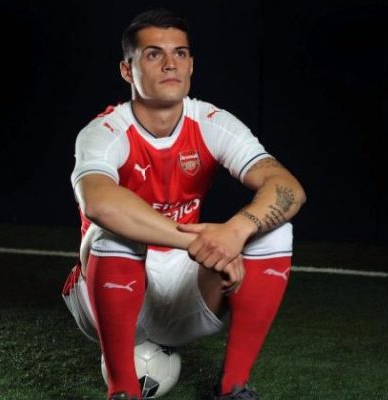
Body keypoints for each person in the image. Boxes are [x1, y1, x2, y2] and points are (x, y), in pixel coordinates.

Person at [62, 8, 306, 400]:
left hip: (184, 289)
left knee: (275, 229)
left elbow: (287, 187)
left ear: (191, 64)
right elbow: (99, 203)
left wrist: (235, 231)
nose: (170, 64)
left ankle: (233, 387)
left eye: (180, 53)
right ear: (127, 70)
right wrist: (200, 242)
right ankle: (122, 391)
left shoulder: (210, 121)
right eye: (153, 54)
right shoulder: (104, 131)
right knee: (110, 233)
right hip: (104, 294)